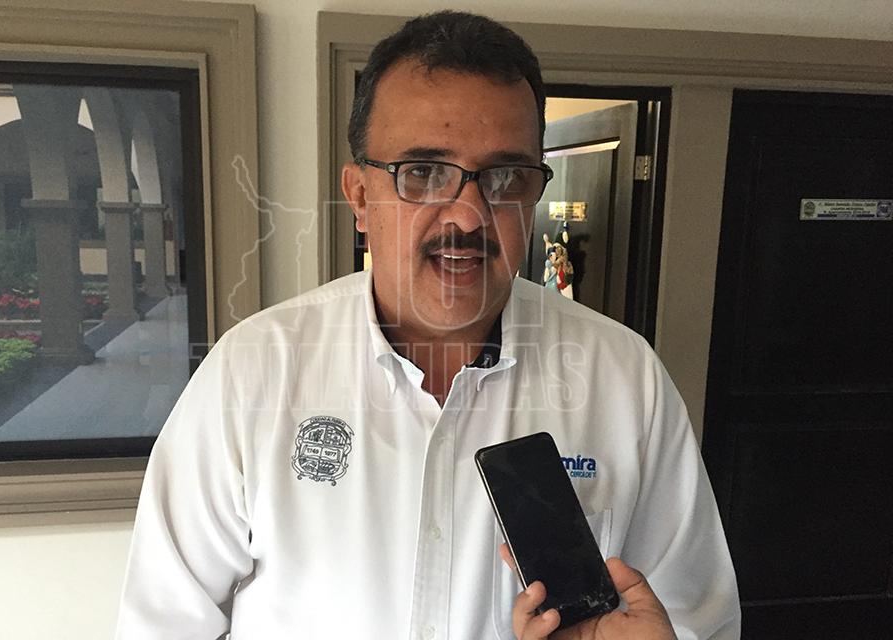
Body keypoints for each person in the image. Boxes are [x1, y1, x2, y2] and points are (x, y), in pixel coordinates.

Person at [115, 11, 740, 640]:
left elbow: (698, 619)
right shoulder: (251, 372)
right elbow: (160, 625)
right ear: (359, 196)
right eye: (422, 173)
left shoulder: (626, 379)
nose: (468, 216)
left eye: (505, 176)